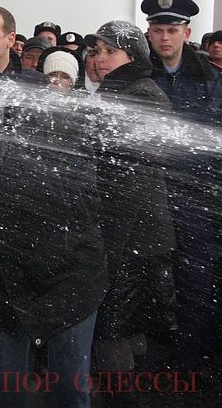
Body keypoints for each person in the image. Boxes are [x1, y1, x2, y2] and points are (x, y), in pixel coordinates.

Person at [0, 6, 104, 408]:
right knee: (4, 380)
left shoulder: (38, 92)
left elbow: (56, 170)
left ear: (10, 40)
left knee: (67, 383)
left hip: (57, 258)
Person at [85, 22, 177, 406]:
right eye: (97, 51)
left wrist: (109, 246)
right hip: (128, 238)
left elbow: (129, 181)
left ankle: (120, 398)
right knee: (123, 328)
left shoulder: (141, 95)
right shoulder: (119, 91)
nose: (100, 58)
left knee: (115, 329)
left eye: (110, 51)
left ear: (133, 55)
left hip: (131, 241)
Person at [141, 0, 222, 370]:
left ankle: (188, 354)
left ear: (187, 33)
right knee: (149, 274)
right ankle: (152, 353)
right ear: (148, 32)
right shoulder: (140, 76)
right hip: (149, 194)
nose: (164, 38)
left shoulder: (212, 81)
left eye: (172, 30)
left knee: (194, 275)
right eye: (158, 30)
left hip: (195, 198)